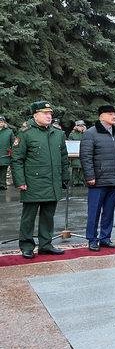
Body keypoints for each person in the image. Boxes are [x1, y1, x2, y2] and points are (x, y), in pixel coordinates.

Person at [11, 101, 70, 258]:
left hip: (52, 182)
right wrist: (20, 181)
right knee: (28, 217)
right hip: (32, 183)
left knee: (48, 216)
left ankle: (45, 244)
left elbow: (64, 158)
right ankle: (26, 246)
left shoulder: (58, 134)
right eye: (45, 113)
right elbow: (17, 159)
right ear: (35, 115)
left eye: (50, 113)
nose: (49, 116)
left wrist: (65, 177)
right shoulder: (26, 133)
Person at [80, 105, 115, 251]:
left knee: (109, 211)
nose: (114, 116)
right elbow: (85, 157)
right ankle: (92, 239)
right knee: (94, 211)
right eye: (110, 114)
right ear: (101, 116)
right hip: (97, 180)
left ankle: (105, 237)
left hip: (113, 179)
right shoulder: (91, 133)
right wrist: (90, 176)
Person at [67, 120, 86, 186]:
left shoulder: (86, 133)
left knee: (82, 168)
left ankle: (81, 181)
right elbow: (70, 143)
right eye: (80, 126)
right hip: (74, 154)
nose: (81, 127)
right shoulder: (72, 134)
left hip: (83, 153)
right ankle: (75, 181)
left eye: (82, 126)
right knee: (75, 168)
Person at [0, 115, 13, 190]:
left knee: (3, 170)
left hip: (4, 155)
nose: (0, 123)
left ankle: (2, 184)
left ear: (4, 122)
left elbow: (13, 143)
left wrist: (12, 152)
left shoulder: (9, 132)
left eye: (2, 121)